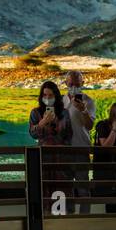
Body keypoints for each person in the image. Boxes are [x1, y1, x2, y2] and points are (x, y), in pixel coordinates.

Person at [29, 80, 74, 215]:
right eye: (45, 95)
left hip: (61, 159)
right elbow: (32, 134)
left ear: (56, 96)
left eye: (50, 95)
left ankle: (62, 221)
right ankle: (45, 220)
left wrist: (61, 144)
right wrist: (42, 123)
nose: (47, 98)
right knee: (45, 190)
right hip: (44, 159)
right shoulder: (35, 113)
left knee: (61, 193)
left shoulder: (64, 113)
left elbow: (69, 135)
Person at [60, 71, 96, 215]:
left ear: (83, 84)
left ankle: (84, 218)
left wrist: (83, 110)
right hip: (63, 151)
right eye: (71, 84)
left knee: (83, 187)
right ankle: (68, 217)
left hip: (81, 149)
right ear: (66, 84)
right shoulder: (59, 101)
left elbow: (89, 126)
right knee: (65, 187)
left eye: (77, 84)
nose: (73, 86)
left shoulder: (88, 101)